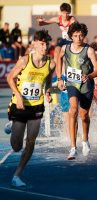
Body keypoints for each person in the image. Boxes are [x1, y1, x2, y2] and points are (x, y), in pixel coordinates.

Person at [6, 30, 55, 187]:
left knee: (31, 141)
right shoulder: (24, 61)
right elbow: (9, 77)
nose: (44, 47)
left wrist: (47, 92)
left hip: (36, 106)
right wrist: (18, 95)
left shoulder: (51, 63)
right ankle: (12, 127)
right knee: (17, 145)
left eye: (46, 44)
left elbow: (47, 81)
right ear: (34, 44)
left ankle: (17, 175)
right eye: (41, 43)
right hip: (20, 105)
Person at [56, 22, 97, 160]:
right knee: (72, 110)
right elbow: (58, 59)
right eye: (75, 36)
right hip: (72, 84)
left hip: (86, 86)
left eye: (81, 35)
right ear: (71, 36)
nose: (78, 38)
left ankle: (85, 140)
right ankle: (73, 147)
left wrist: (89, 76)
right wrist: (59, 78)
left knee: (84, 115)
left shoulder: (89, 50)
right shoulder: (65, 48)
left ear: (84, 36)